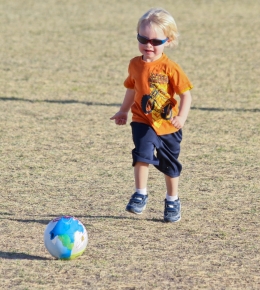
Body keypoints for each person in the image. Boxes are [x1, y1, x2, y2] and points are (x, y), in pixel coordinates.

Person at [110, 7, 193, 222]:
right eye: (143, 38)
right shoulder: (134, 65)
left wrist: (181, 118)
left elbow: (186, 96)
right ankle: (140, 194)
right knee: (142, 154)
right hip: (142, 120)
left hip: (167, 126)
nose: (149, 45)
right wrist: (123, 110)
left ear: (169, 40)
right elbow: (131, 88)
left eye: (156, 41)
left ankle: (172, 200)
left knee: (170, 165)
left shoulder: (171, 68)